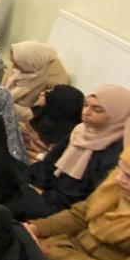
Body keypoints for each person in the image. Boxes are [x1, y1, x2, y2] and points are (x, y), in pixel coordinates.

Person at [28, 147, 130, 260]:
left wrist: (48, 252)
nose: (119, 178)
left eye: (128, 176)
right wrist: (34, 228)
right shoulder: (116, 186)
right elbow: (79, 215)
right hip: (69, 255)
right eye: (120, 168)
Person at [25, 84, 130, 217]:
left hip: (68, 207)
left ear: (117, 114)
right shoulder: (80, 130)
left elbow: (87, 195)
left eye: (97, 109)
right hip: (47, 188)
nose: (86, 112)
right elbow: (49, 163)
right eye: (85, 105)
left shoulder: (117, 150)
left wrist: (41, 193)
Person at [3, 41, 71, 121]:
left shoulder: (57, 82)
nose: (14, 67)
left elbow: (38, 114)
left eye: (17, 64)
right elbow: (2, 90)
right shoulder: (23, 64)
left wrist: (2, 103)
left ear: (32, 64)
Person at [24, 84, 85, 161]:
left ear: (57, 102)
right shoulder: (38, 115)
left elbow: (51, 160)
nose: (41, 93)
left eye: (48, 94)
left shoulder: (67, 137)